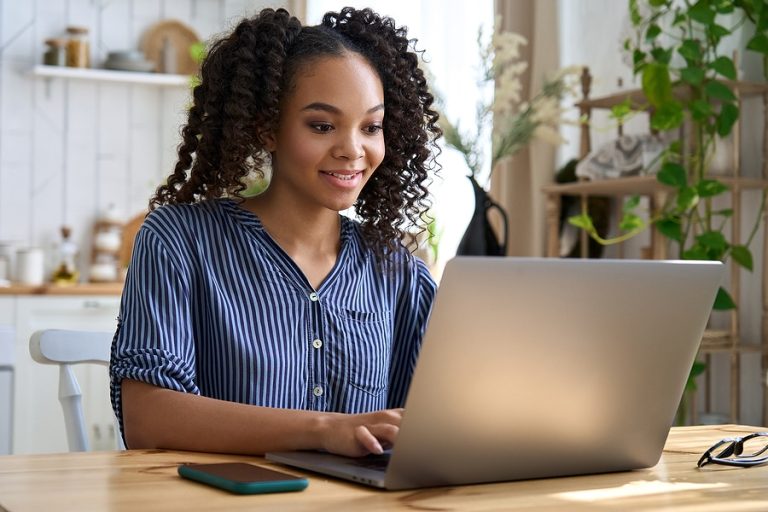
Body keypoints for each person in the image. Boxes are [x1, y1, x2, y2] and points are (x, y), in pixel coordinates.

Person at [109, 6, 441, 457]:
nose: (352, 149)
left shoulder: (398, 271)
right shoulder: (179, 241)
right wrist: (323, 429)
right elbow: (148, 419)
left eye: (371, 127)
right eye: (322, 126)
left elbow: (427, 426)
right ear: (267, 128)